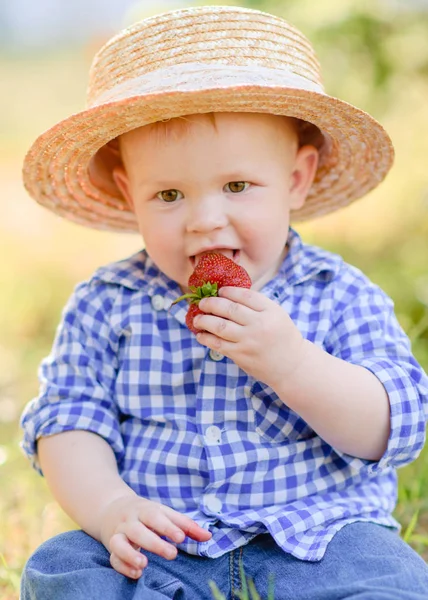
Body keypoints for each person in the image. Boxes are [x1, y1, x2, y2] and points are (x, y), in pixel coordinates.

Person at [19, 5, 428, 600]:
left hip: (321, 539)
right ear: (128, 194)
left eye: (237, 186)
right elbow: (69, 419)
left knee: (392, 576)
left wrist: (293, 363)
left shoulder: (338, 294)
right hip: (163, 544)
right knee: (63, 567)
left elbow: (394, 428)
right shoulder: (109, 303)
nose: (204, 221)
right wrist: (111, 507)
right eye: (169, 194)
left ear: (295, 178)